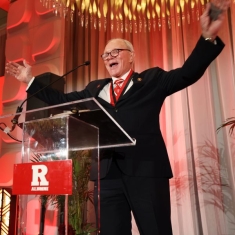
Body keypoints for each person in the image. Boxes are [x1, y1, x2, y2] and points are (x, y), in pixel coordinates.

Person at [5, 2, 230, 235]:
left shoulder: (152, 80)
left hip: (146, 171)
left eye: (116, 52)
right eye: (105, 54)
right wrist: (30, 81)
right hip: (107, 175)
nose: (109, 57)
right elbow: (61, 100)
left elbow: (186, 74)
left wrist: (207, 37)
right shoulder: (94, 88)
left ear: (131, 56)